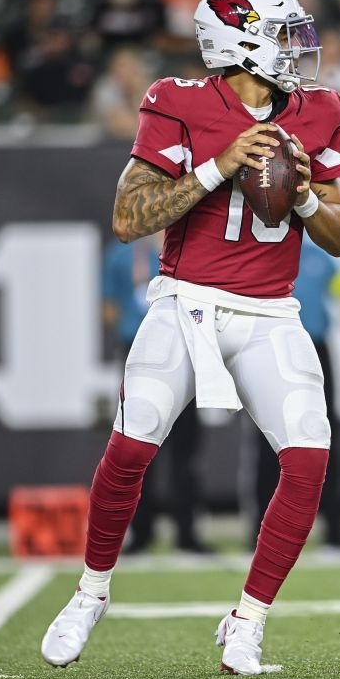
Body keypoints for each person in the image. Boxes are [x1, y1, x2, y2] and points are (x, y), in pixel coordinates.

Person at [40, 0, 340, 676]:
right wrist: (219, 166)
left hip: (272, 311)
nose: (297, 48)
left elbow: (338, 236)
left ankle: (247, 621)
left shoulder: (321, 109)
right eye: (282, 34)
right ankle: (91, 592)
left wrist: (301, 194)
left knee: (307, 460)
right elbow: (129, 220)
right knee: (130, 449)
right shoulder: (177, 103)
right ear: (239, 41)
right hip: (187, 302)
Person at [102, 232, 211, 555]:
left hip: (183, 351)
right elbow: (107, 310)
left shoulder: (191, 247)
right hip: (140, 351)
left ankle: (187, 531)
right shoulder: (122, 256)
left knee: (186, 449)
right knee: (138, 448)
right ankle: (141, 531)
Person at [246, 236, 340, 551]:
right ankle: (262, 531)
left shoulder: (321, 258)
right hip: (270, 349)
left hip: (315, 350)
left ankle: (335, 531)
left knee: (326, 435)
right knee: (266, 440)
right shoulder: (259, 253)